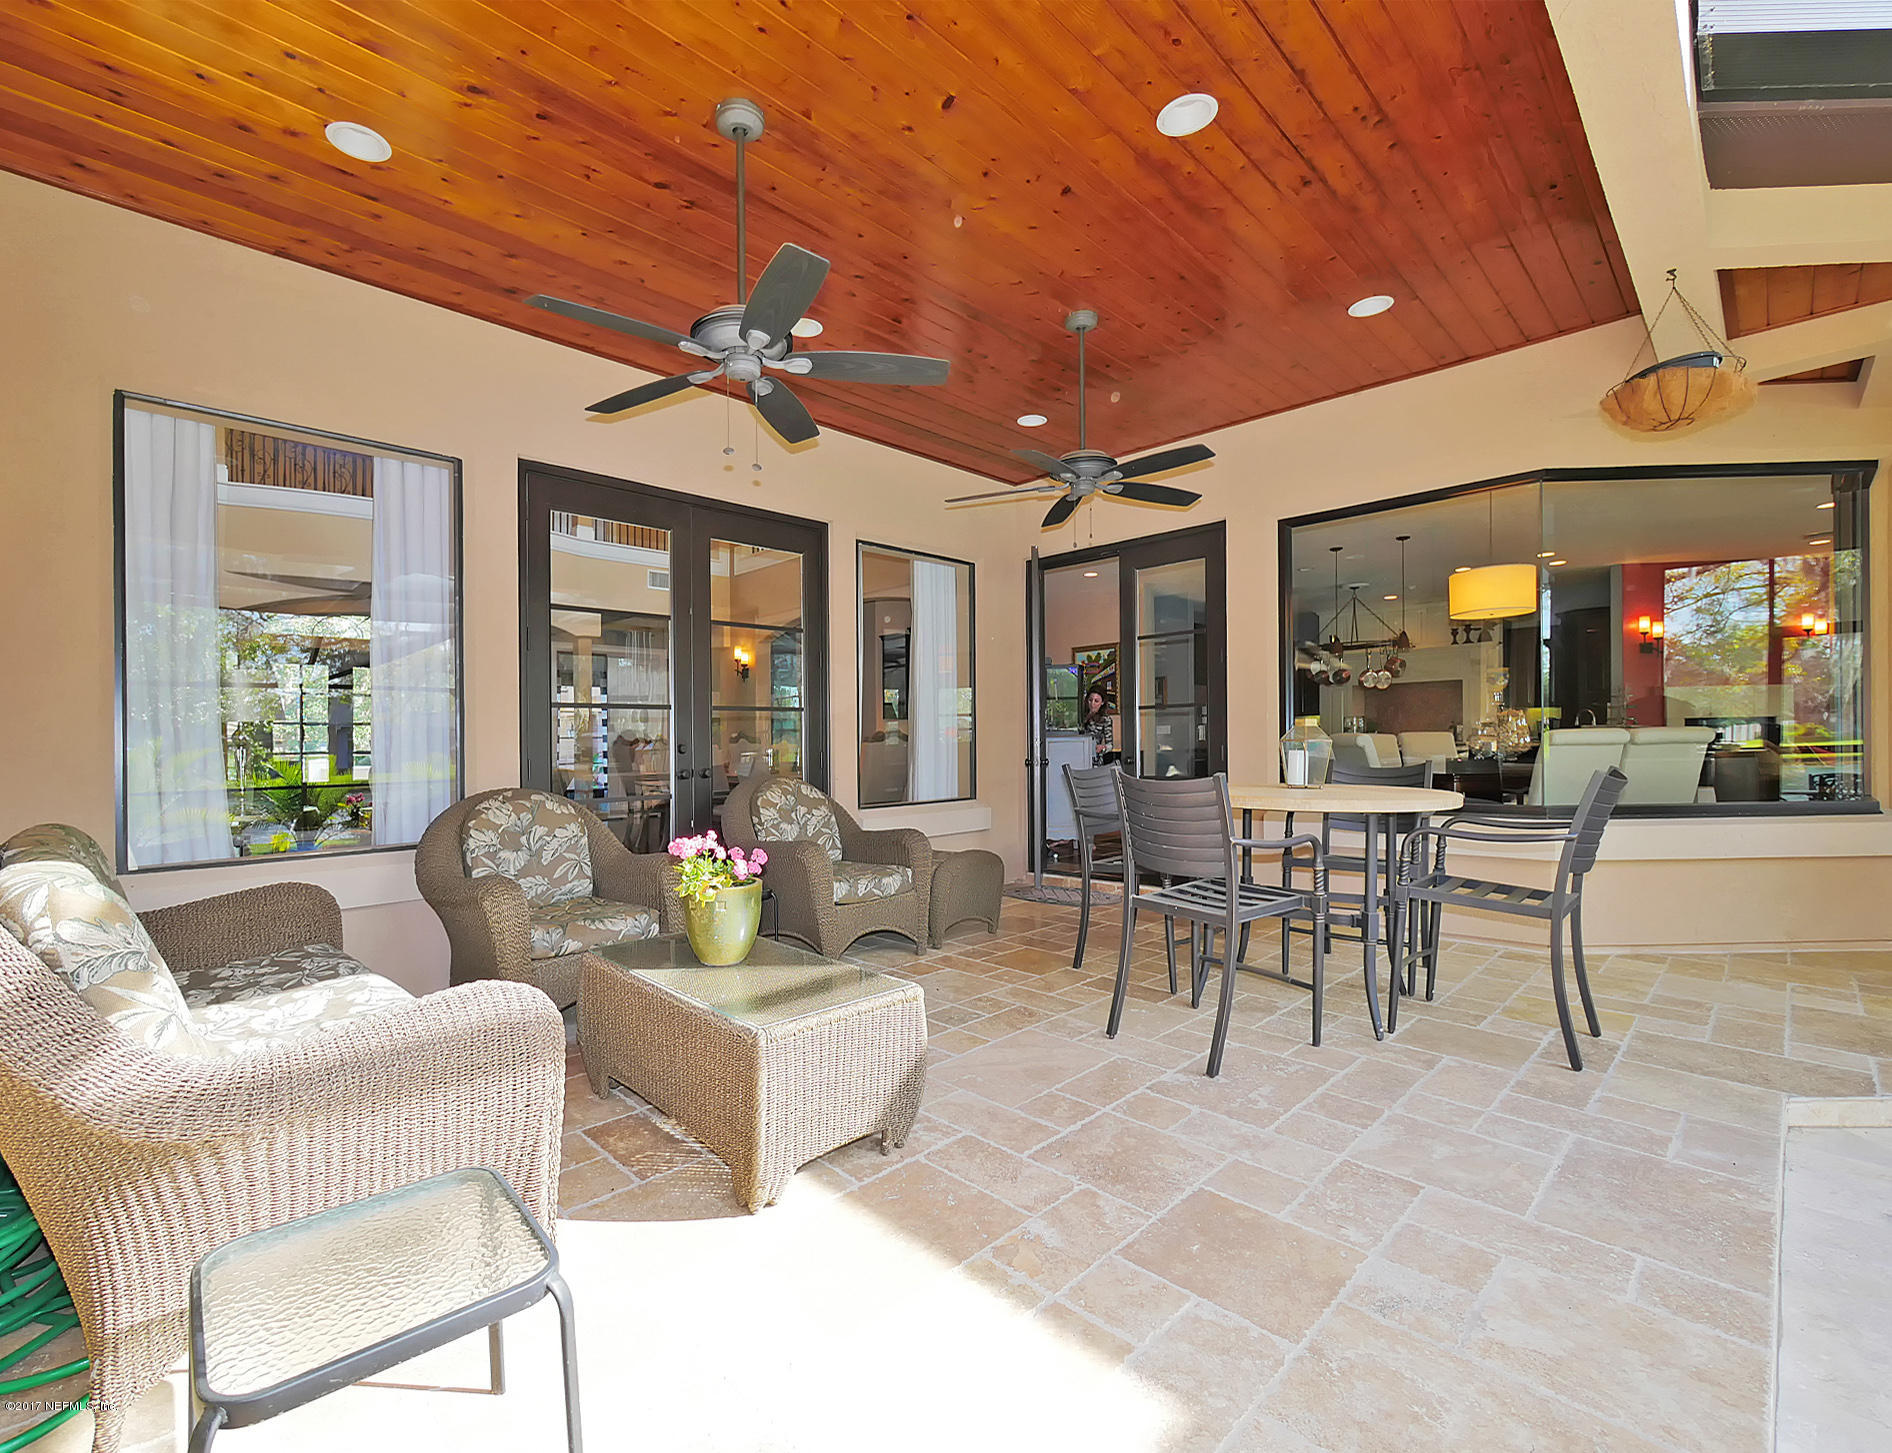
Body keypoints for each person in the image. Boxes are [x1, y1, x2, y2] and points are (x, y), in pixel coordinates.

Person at [1079, 687, 1116, 765]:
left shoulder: (1105, 719)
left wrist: (1102, 748)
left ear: (1102, 702)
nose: (1092, 704)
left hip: (1094, 759)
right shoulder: (1081, 716)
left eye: (1096, 701)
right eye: (1090, 700)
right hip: (1079, 754)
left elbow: (1110, 745)